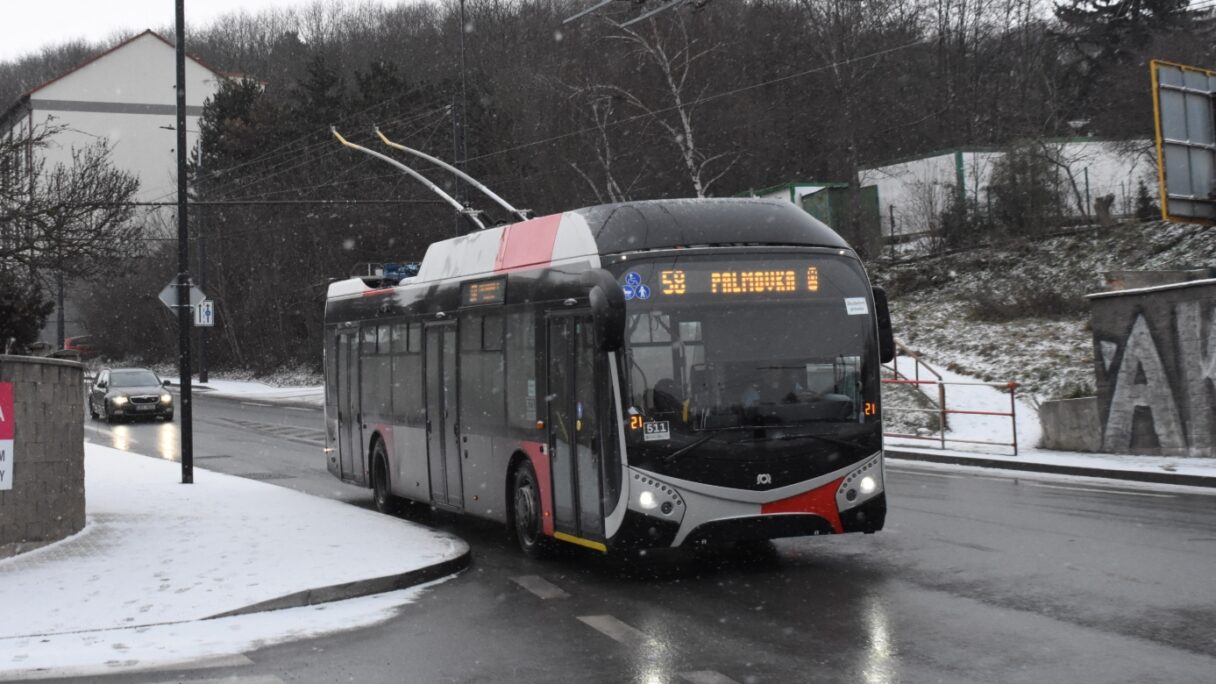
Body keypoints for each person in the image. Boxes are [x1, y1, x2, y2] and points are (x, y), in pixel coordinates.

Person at [741, 366, 806, 407]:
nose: (774, 372)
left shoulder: (794, 387)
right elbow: (749, 412)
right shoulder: (753, 391)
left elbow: (802, 404)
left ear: (782, 370)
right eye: (771, 368)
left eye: (776, 368)